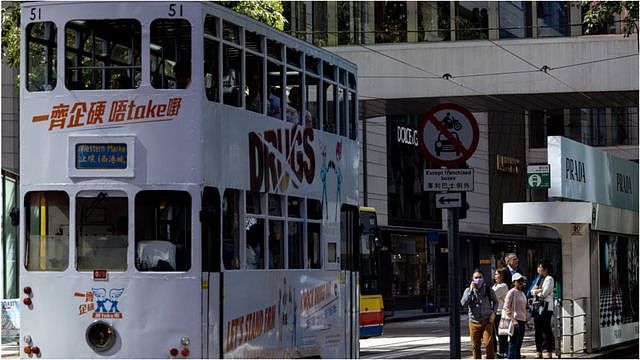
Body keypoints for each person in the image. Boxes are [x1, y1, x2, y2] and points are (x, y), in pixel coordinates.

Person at [461, 269, 498, 359]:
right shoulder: (468, 290)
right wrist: (470, 290)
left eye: (480, 277)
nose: (478, 279)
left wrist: (493, 313)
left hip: (487, 322)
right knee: (475, 346)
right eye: (476, 277)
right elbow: (463, 304)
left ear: (483, 278)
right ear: (472, 279)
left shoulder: (489, 290)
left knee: (489, 344)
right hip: (474, 322)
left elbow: (496, 302)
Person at [531, 261, 555, 359]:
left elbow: (545, 293)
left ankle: (549, 350)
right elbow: (532, 291)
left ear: (546, 269)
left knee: (546, 329)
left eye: (541, 267)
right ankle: (538, 350)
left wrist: (538, 292)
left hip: (546, 307)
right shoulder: (539, 279)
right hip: (537, 307)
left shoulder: (549, 278)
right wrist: (538, 291)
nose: (539, 269)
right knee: (537, 330)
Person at [504, 273, 528, 359]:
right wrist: (513, 320)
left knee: (518, 346)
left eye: (522, 280)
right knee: (513, 344)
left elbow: (524, 309)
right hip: (515, 322)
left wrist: (527, 323)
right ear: (514, 282)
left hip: (522, 322)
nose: (521, 282)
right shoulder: (511, 292)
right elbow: (506, 308)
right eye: (519, 280)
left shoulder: (522, 293)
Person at [492, 268, 510, 359]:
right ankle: (498, 352)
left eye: (496, 274)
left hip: (501, 313)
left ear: (501, 276)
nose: (495, 276)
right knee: (496, 334)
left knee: (502, 334)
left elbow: (492, 295)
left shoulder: (503, 286)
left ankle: (504, 352)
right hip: (495, 313)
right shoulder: (496, 285)